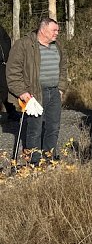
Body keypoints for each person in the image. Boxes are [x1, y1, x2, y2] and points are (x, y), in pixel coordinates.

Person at [6, 18, 68, 165]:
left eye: (58, 30)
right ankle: (34, 161)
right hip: (34, 93)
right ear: (43, 29)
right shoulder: (24, 45)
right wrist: (22, 92)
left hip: (54, 92)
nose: (57, 33)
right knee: (35, 128)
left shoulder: (57, 45)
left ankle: (49, 157)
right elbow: (12, 71)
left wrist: (61, 88)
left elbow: (63, 68)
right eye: (54, 30)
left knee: (53, 126)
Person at [0, 24, 18, 123]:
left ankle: (11, 112)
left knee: (5, 88)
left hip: (2, 64)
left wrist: (6, 57)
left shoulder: (1, 29)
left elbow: (7, 41)